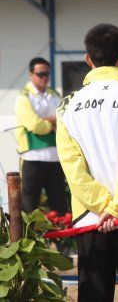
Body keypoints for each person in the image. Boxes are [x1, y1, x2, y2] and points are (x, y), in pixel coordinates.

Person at [56, 24, 118, 302]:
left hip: (90, 218)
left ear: (88, 58)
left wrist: (103, 206)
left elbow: (72, 169)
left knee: (93, 297)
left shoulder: (67, 107)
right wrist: (117, 207)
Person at [14, 57, 68, 215]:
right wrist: (52, 124)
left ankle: (60, 240)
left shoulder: (55, 95)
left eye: (47, 74)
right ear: (31, 74)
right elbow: (34, 125)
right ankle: (29, 239)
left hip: (56, 158)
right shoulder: (23, 97)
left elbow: (64, 120)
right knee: (29, 206)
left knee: (60, 205)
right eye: (40, 74)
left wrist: (45, 122)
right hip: (33, 157)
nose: (44, 77)